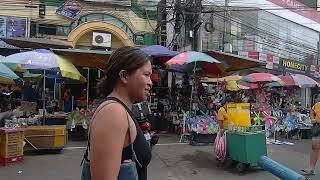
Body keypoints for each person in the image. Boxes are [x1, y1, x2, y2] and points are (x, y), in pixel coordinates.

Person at [83, 46, 152, 180]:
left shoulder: (122, 110)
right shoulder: (113, 113)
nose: (150, 82)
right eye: (146, 75)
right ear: (124, 76)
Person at [302, 100, 320, 175]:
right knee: (314, 147)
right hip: (317, 126)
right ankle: (311, 168)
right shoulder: (318, 104)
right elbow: (312, 111)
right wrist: (312, 118)